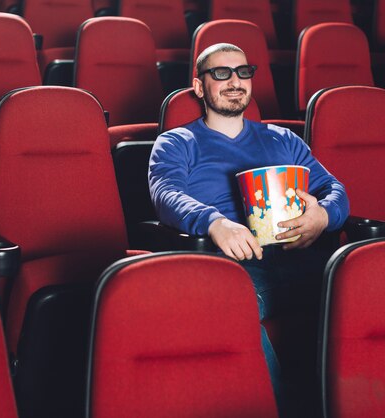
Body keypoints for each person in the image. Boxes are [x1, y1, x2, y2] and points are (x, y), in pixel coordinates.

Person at [148, 43, 349, 417]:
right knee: (231, 298)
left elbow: (335, 190)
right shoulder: (177, 142)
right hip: (234, 267)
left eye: (243, 72)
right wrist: (214, 222)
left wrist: (324, 215)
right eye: (221, 73)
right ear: (198, 85)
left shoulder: (282, 139)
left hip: (299, 257)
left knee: (369, 280)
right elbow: (166, 194)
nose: (235, 81)